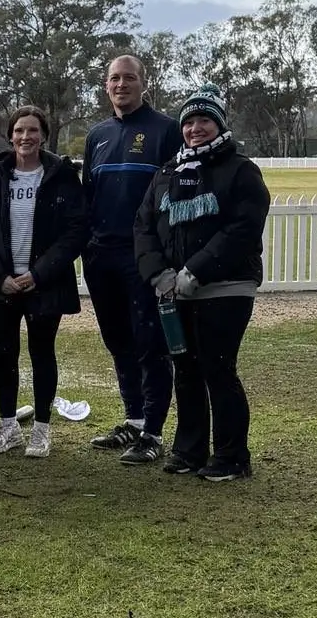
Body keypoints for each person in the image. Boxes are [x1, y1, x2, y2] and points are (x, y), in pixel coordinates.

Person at [135, 84, 269, 481]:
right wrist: (160, 273)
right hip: (174, 290)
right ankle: (189, 450)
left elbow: (242, 228)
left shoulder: (241, 170)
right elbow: (145, 227)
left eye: (205, 120)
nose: (196, 128)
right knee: (186, 369)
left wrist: (196, 271)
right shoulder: (167, 171)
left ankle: (231, 455)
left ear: (219, 124)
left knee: (217, 367)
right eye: (189, 121)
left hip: (225, 287)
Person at [0, 106, 88, 458]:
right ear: (10, 135)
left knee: (41, 353)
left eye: (33, 130)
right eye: (19, 130)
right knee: (5, 356)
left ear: (43, 135)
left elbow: (75, 231)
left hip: (44, 284)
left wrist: (39, 273)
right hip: (2, 286)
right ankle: (8, 427)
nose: (26, 137)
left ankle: (41, 429)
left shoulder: (61, 175)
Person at [82, 54, 184, 465]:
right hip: (101, 255)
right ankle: (134, 419)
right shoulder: (98, 134)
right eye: (113, 79)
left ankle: (154, 432)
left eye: (129, 78)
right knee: (118, 340)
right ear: (105, 86)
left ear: (144, 83)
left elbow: (178, 194)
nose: (120, 85)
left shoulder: (166, 130)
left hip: (143, 256)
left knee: (150, 342)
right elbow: (89, 193)